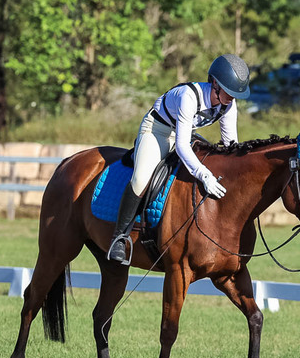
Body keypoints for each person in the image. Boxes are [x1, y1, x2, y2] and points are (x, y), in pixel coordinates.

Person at [107, 54, 251, 264]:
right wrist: (204, 174)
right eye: (229, 92)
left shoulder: (228, 105)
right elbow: (182, 146)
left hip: (184, 133)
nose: (232, 98)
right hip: (157, 130)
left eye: (235, 94)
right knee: (141, 178)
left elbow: (230, 145)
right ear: (215, 84)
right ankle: (119, 238)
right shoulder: (188, 97)